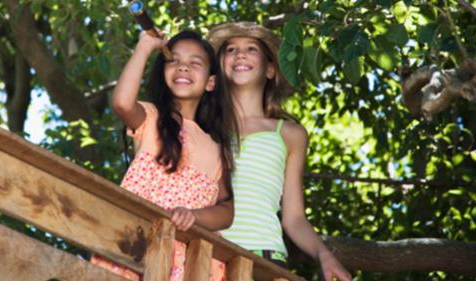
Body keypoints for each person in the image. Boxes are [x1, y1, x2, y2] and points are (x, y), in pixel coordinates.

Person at [206, 22, 352, 281]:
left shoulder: (290, 134)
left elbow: (294, 218)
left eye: (251, 49)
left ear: (270, 69)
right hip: (206, 250)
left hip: (265, 258)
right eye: (230, 50)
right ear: (219, 67)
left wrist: (324, 254)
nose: (240, 54)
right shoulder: (202, 126)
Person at [90, 30, 239, 281]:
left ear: (211, 82)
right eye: (174, 61)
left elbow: (227, 210)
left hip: (185, 260)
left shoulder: (217, 148)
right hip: (135, 242)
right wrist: (145, 47)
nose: (183, 67)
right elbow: (122, 103)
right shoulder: (151, 118)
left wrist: (196, 216)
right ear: (163, 73)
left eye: (195, 63)